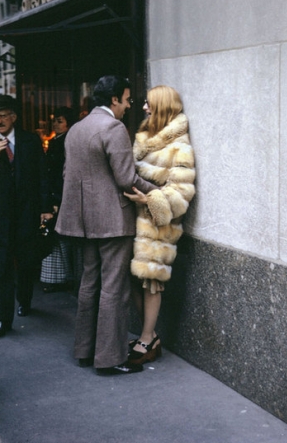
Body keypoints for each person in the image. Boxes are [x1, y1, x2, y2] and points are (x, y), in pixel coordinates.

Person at [56, 75, 157, 375]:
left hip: (83, 220)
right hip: (113, 220)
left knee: (89, 283)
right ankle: (110, 358)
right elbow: (126, 179)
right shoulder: (113, 128)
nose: (128, 105)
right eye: (126, 100)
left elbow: (68, 174)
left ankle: (85, 351)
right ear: (113, 100)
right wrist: (158, 192)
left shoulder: (77, 128)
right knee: (114, 289)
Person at [123, 86, 195, 364]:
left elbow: (182, 192)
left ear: (163, 106)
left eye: (149, 103)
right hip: (136, 218)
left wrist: (150, 199)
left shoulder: (180, 146)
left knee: (151, 281)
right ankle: (148, 334)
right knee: (136, 279)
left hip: (158, 224)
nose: (143, 107)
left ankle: (148, 338)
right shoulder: (146, 137)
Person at [0, 95, 53, 337]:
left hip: (26, 215)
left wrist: (45, 208)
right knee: (2, 269)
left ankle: (25, 300)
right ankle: (3, 320)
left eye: (3, 116)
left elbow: (42, 176)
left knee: (27, 263)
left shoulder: (30, 141)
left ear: (13, 118)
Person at [40, 106, 75, 293]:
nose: (55, 124)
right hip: (56, 194)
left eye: (59, 121)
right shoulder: (55, 141)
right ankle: (59, 277)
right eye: (54, 120)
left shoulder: (65, 142)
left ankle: (61, 277)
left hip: (61, 194)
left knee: (60, 238)